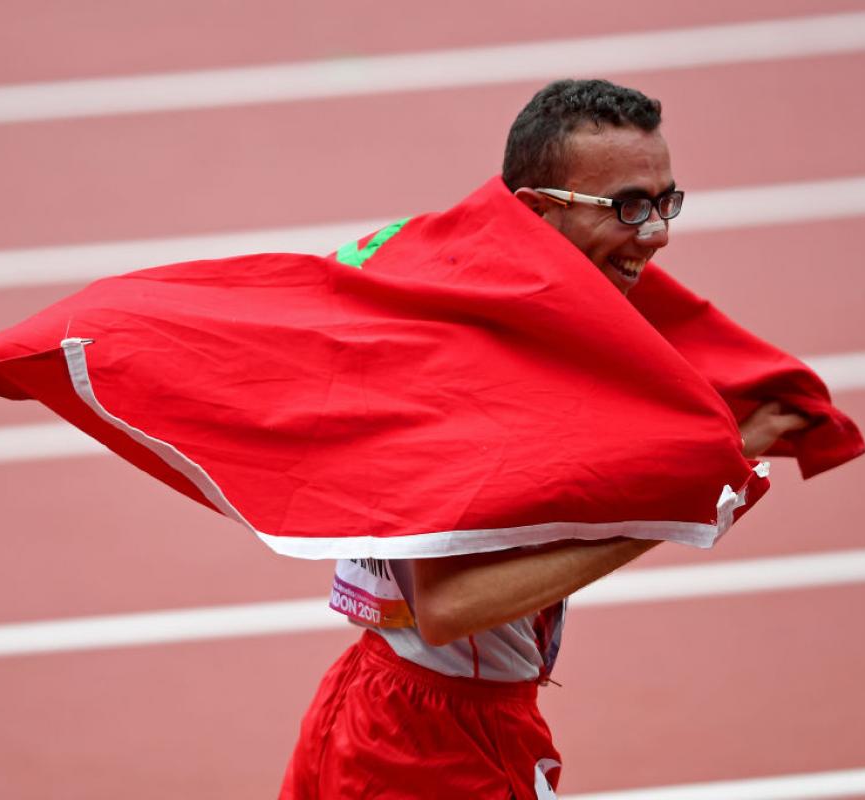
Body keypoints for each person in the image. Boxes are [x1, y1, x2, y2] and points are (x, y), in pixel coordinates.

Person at [280, 79, 810, 799]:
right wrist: (688, 507)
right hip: (431, 747)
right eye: (627, 206)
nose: (656, 233)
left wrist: (720, 444)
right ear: (536, 213)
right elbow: (448, 611)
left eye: (665, 201)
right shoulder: (464, 373)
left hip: (383, 711)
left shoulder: (479, 313)